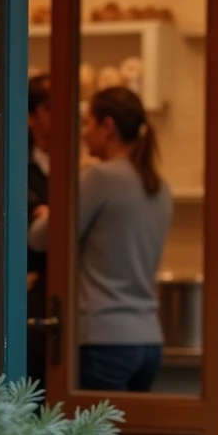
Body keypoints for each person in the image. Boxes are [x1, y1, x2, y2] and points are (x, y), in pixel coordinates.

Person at [28, 87, 172, 392]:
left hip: (104, 339)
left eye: (88, 123)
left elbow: (40, 239)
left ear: (108, 127)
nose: (83, 132)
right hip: (149, 341)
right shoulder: (160, 186)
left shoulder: (100, 178)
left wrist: (45, 214)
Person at [0, 73, 51, 385]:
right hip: (29, 324)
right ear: (31, 118)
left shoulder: (82, 177)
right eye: (51, 106)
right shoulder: (10, 177)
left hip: (73, 324)